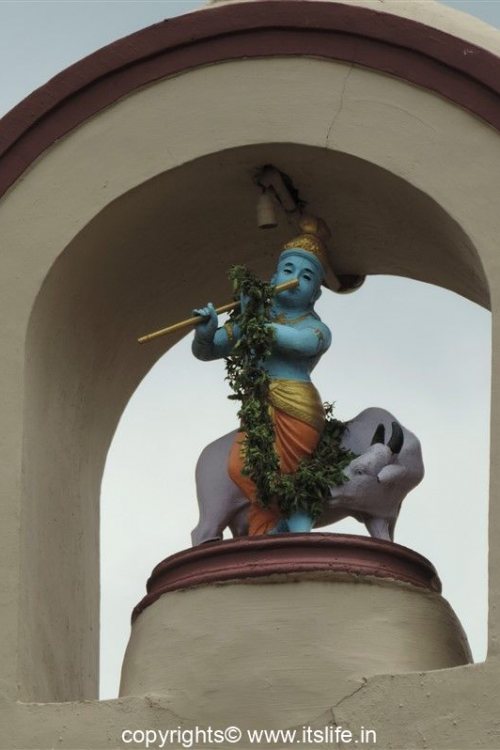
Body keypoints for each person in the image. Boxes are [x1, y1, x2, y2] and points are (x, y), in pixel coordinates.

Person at [192, 216, 334, 536]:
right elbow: (208, 351)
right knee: (239, 466)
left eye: (306, 276)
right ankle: (283, 519)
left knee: (287, 471)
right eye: (288, 270)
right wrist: (206, 332)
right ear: (273, 277)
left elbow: (297, 343)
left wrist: (253, 319)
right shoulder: (253, 318)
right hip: (257, 408)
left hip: (297, 407)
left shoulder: (316, 328)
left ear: (315, 294)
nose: (294, 279)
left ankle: (284, 522)